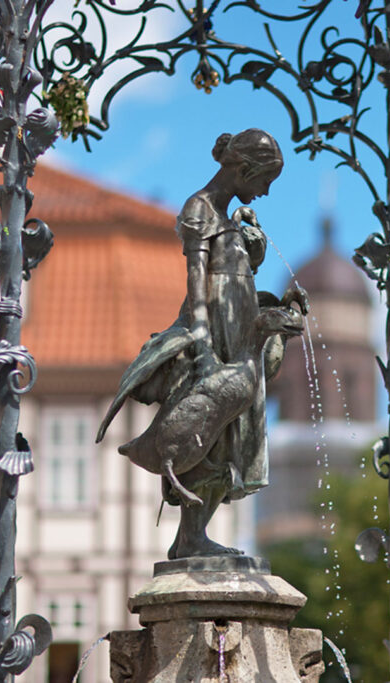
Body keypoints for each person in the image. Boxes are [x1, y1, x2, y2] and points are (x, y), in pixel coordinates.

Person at [98, 129, 299, 558]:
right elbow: (197, 286)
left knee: (231, 439)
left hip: (240, 333)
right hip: (216, 336)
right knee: (208, 437)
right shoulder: (200, 209)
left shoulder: (231, 217)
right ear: (243, 168)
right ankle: (190, 538)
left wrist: (278, 301)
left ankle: (194, 535)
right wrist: (205, 350)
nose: (265, 192)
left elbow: (241, 281)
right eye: (264, 180)